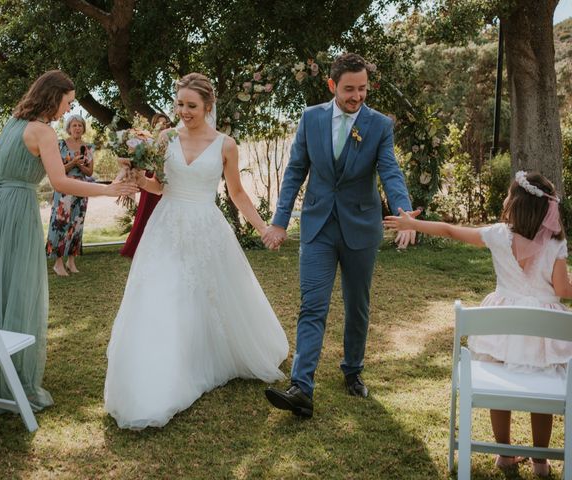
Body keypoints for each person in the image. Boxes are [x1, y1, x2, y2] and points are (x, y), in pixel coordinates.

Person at [104, 73, 288, 429]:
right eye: (179, 104)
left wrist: (263, 227)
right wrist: (138, 179)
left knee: (207, 296)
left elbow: (237, 193)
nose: (183, 111)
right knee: (164, 295)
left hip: (205, 227)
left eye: (191, 106)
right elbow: (159, 186)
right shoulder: (164, 138)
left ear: (208, 106)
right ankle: (161, 373)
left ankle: (203, 359)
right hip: (166, 226)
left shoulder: (225, 144)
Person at [0, 70, 137, 413]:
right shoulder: (42, 130)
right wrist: (108, 189)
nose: (68, 109)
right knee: (19, 288)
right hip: (15, 213)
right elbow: (61, 182)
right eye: (68, 102)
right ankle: (12, 379)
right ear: (53, 95)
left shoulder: (14, 122)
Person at [384, 170, 572, 477]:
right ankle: (540, 461)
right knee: (543, 394)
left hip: (501, 328)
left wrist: (412, 223)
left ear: (518, 204)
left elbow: (449, 230)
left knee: (499, 373)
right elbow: (563, 290)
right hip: (542, 336)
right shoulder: (555, 244)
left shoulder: (499, 235)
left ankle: (505, 455)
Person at [263, 53, 416, 418]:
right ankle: (301, 387)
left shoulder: (379, 125)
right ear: (332, 86)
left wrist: (403, 210)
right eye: (349, 89)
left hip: (361, 228)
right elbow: (296, 170)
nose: (357, 96)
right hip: (317, 226)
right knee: (312, 305)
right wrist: (280, 220)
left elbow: (390, 171)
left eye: (363, 88)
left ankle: (352, 370)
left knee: (357, 306)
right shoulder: (311, 118)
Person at [45, 114, 94, 275]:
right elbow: (57, 170)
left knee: (77, 224)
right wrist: (72, 163)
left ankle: (71, 261)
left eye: (80, 125)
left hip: (81, 187)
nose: (77, 128)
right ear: (69, 128)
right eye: (74, 125)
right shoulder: (60, 145)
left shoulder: (88, 148)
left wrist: (80, 166)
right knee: (61, 222)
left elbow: (90, 171)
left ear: (83, 128)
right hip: (64, 186)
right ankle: (58, 263)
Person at [119, 113, 170, 259]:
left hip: (165, 182)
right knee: (146, 214)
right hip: (150, 180)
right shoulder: (148, 141)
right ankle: (138, 246)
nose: (162, 126)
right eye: (159, 124)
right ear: (154, 126)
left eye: (165, 123)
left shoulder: (171, 141)